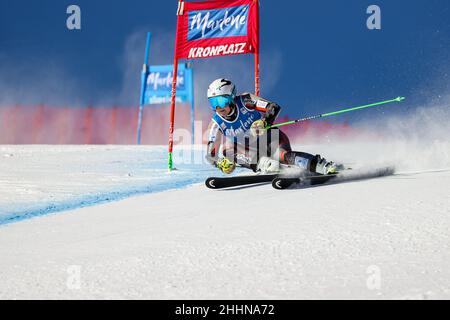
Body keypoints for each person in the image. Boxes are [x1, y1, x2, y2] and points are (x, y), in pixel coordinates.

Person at [205, 78, 338, 175]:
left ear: (231, 98)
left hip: (270, 139)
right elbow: (210, 155)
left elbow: (272, 107)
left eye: (221, 101)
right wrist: (220, 164)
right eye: (213, 103)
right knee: (227, 150)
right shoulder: (216, 124)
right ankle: (263, 164)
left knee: (285, 156)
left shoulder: (246, 101)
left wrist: (264, 122)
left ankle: (321, 166)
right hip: (249, 152)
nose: (218, 107)